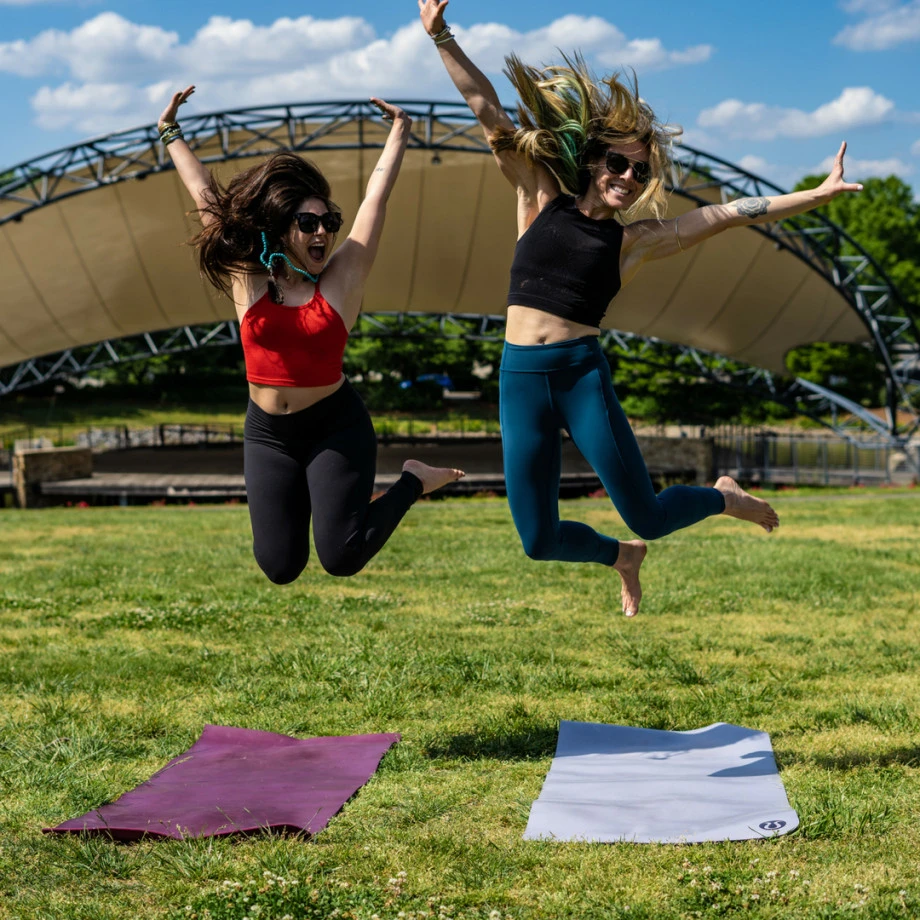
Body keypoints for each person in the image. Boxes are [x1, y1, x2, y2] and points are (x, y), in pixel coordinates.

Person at [419, 0, 863, 616]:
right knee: (538, 540)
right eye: (619, 162)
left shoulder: (633, 242)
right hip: (519, 377)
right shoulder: (538, 196)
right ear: (596, 158)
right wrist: (441, 36)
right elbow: (487, 110)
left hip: (579, 375)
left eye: (640, 170)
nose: (628, 176)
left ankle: (723, 496)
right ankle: (619, 557)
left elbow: (729, 214)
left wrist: (815, 196)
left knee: (650, 516)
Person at [157, 86, 464, 583]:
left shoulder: (343, 280)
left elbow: (376, 197)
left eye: (329, 221)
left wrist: (401, 130)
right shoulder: (249, 277)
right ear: (282, 228)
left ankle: (413, 480)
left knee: (341, 556)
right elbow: (206, 198)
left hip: (334, 425)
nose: (322, 231)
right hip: (267, 432)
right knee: (280, 566)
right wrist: (169, 132)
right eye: (308, 222)